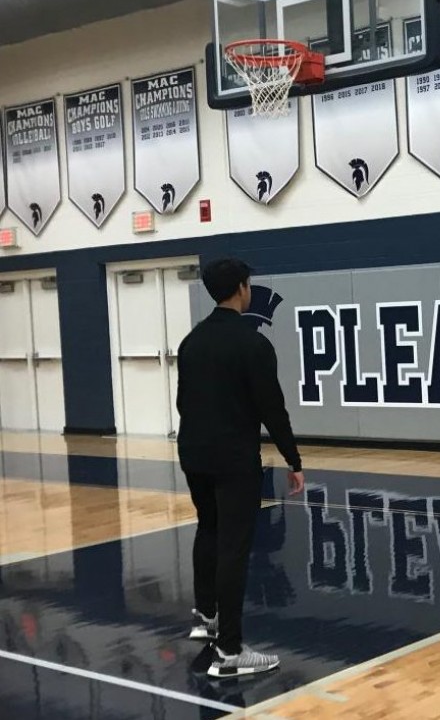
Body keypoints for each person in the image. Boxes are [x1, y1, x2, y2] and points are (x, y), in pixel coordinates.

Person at [177, 258, 305, 678]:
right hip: (233, 458)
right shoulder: (253, 344)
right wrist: (293, 459)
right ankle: (230, 651)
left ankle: (206, 617)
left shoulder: (191, 341)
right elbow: (273, 409)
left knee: (208, 528)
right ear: (242, 288)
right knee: (233, 546)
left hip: (193, 453)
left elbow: (183, 403)